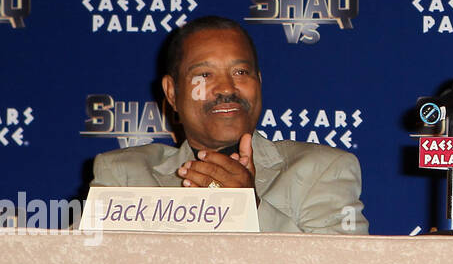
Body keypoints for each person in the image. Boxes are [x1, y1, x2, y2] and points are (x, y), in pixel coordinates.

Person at [91, 16, 368, 234]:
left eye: (240, 72)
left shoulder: (323, 171)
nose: (226, 87)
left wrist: (250, 210)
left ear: (258, 82)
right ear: (172, 93)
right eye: (204, 74)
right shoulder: (123, 176)